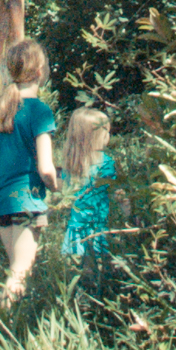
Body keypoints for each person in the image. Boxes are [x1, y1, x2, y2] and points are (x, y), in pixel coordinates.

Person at [0, 39, 59, 304]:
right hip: (27, 199)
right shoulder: (40, 111)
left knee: (15, 266)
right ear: (40, 72)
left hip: (1, 200)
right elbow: (46, 168)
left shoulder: (0, 110)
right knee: (20, 273)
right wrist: (58, 189)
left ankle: (10, 322)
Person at [60, 108, 118, 270]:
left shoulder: (71, 163)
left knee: (78, 272)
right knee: (99, 272)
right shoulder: (107, 163)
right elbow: (114, 191)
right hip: (98, 226)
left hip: (76, 227)